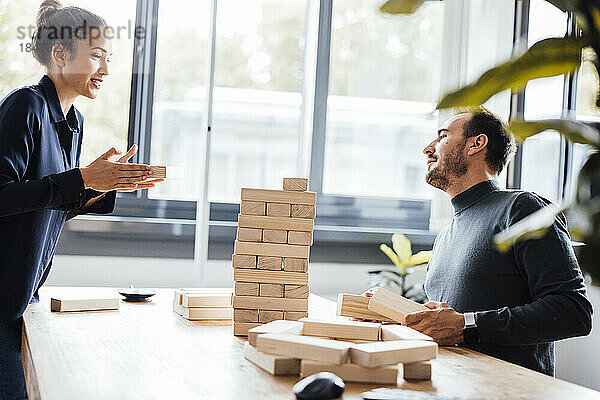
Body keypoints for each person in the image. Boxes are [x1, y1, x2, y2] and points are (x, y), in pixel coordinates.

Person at [0, 2, 163, 398]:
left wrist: (99, 186)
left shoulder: (73, 122)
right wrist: (82, 179)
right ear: (60, 54)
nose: (105, 70)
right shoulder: (25, 107)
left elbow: (52, 201)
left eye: (108, 58)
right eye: (95, 56)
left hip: (24, 295)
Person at [370, 109, 592, 376]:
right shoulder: (445, 236)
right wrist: (394, 317)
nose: (427, 149)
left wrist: (466, 325)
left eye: (442, 136)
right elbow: (447, 323)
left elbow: (573, 312)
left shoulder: (522, 209)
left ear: (476, 143)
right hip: (450, 385)